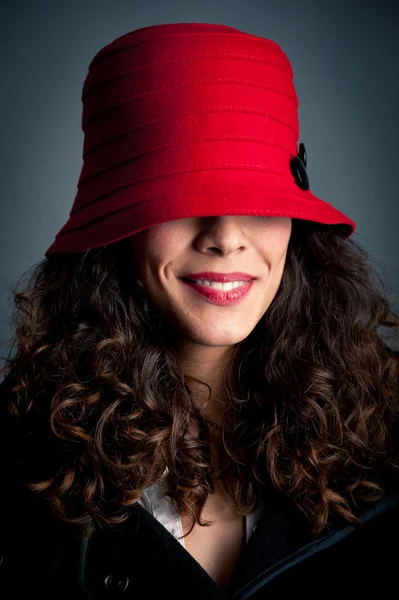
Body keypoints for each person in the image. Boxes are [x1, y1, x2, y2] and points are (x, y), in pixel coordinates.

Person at [1, 21, 399, 600]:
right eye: (182, 195)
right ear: (115, 226)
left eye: (260, 198)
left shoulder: (385, 434)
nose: (226, 237)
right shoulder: (17, 464)